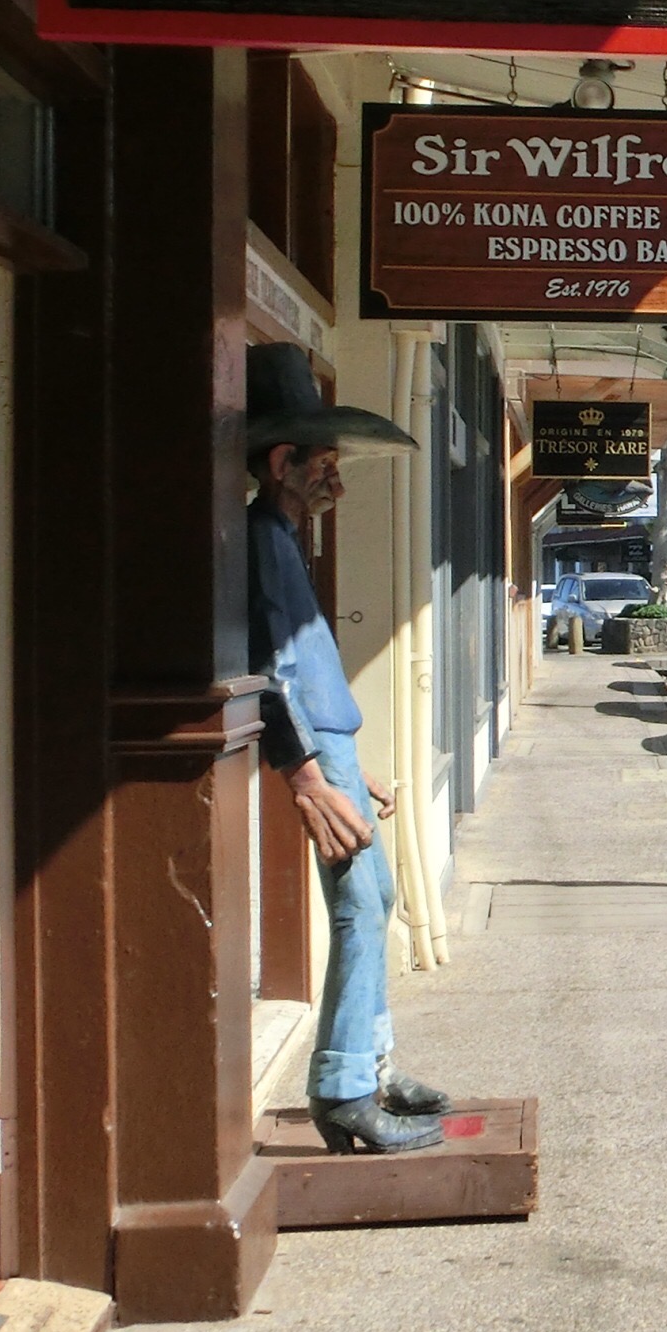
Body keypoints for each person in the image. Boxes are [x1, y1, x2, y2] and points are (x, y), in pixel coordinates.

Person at [245, 341, 450, 1155]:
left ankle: (371, 1058)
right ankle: (343, 1089)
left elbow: (304, 668)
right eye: (323, 463)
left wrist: (347, 763)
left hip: (331, 743)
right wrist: (305, 775)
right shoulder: (260, 537)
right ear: (283, 460)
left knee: (384, 897)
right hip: (313, 751)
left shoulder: (283, 536)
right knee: (359, 906)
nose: (336, 479)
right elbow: (266, 666)